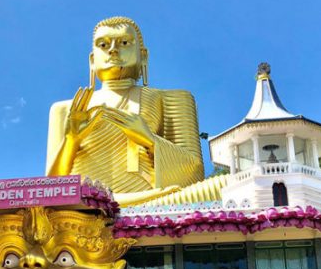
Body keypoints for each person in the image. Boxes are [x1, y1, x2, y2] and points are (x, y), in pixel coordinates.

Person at [46, 17, 205, 206]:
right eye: (103, 44)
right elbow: (50, 189)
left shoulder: (172, 99)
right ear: (91, 60)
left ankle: (115, 203)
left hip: (151, 203)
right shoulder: (65, 109)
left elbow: (194, 173)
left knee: (223, 184)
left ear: (143, 55)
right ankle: (103, 202)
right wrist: (72, 140)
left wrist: (149, 139)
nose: (113, 49)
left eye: (124, 42)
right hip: (83, 208)